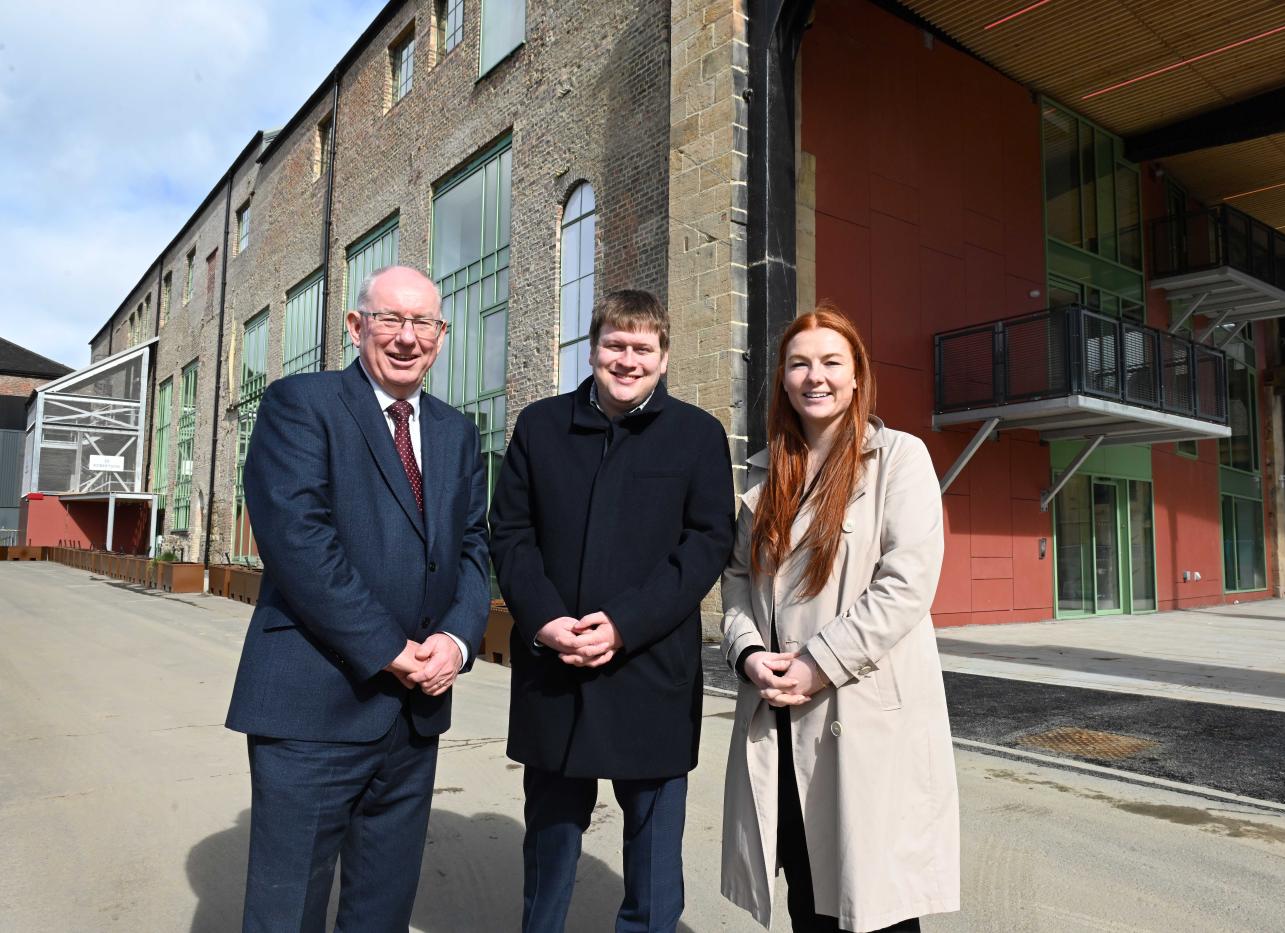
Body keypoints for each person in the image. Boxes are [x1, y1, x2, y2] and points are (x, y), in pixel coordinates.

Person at [226, 265, 492, 932]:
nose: (407, 337)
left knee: (381, 909)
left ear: (442, 334)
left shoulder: (458, 434)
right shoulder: (301, 404)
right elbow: (299, 543)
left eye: (423, 322)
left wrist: (456, 645)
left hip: (414, 715)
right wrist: (390, 649)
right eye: (390, 319)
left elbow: (473, 547)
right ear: (356, 326)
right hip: (314, 709)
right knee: (286, 911)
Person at [489, 289, 735, 933]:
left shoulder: (697, 435)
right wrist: (543, 620)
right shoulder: (541, 427)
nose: (627, 360)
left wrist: (625, 624)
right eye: (614, 346)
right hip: (555, 663)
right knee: (550, 838)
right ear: (592, 348)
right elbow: (510, 532)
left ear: (664, 357)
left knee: (654, 853)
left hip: (650, 670)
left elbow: (707, 544)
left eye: (642, 348)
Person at [719, 304, 959, 933]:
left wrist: (818, 664)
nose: (814, 376)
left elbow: (906, 584)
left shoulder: (899, 460)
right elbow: (738, 579)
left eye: (831, 362)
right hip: (782, 713)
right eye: (799, 363)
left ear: (857, 377)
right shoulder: (767, 473)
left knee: (873, 905)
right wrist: (747, 653)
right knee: (809, 899)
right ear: (782, 379)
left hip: (864, 718)